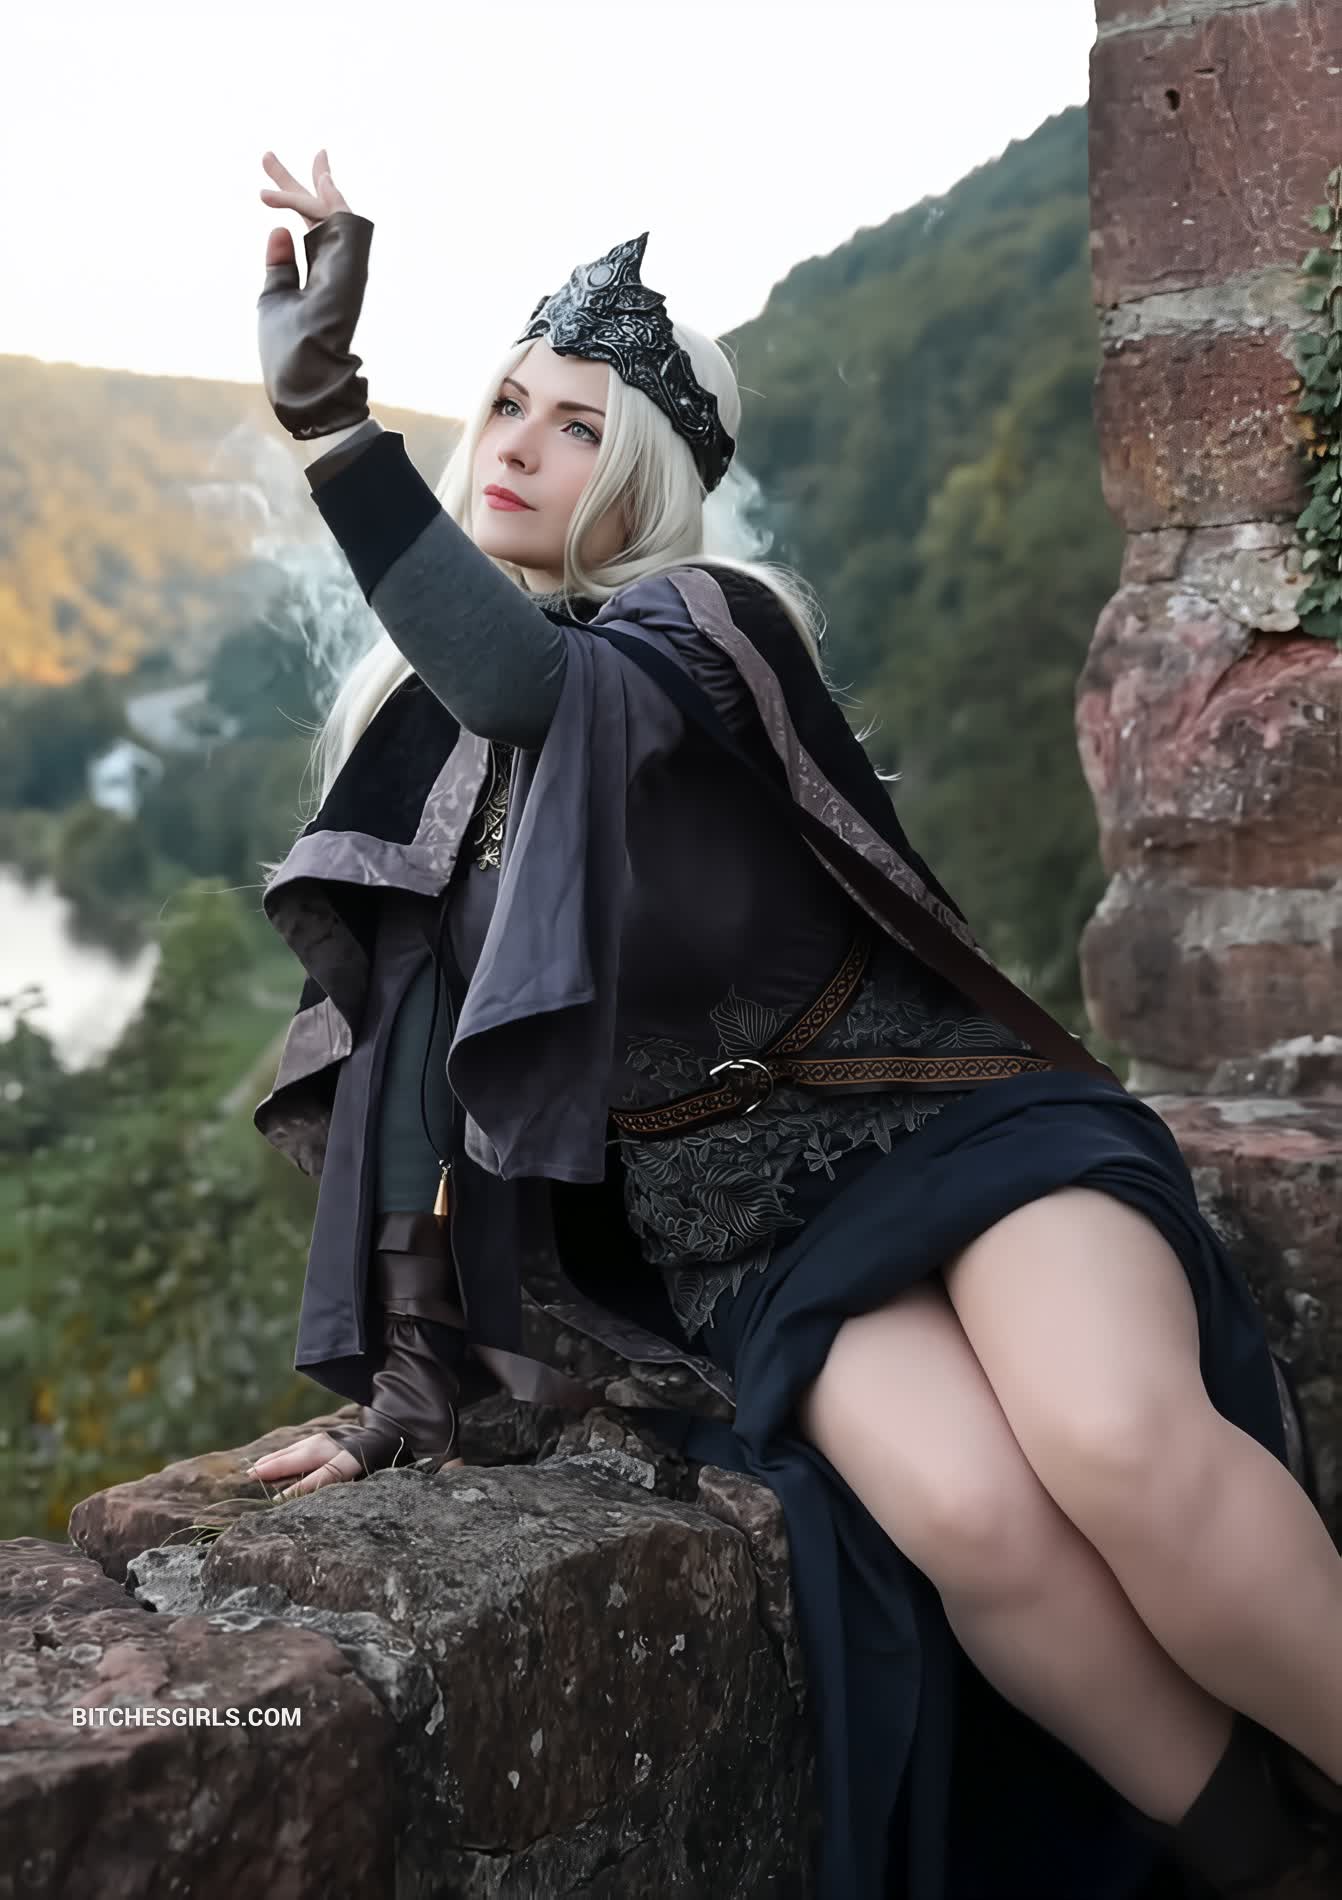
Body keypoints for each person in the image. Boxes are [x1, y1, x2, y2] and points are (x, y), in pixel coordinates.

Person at [242, 150, 1342, 1900]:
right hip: (740, 1237)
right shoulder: (426, 752)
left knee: (1114, 1443)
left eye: (578, 427)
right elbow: (413, 1077)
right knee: (973, 1523)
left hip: (946, 1127)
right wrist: (408, 1380)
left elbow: (534, 682)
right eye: (508, 406)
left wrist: (329, 425)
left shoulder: (699, 627)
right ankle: (1269, 1871)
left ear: (644, 474)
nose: (519, 445)